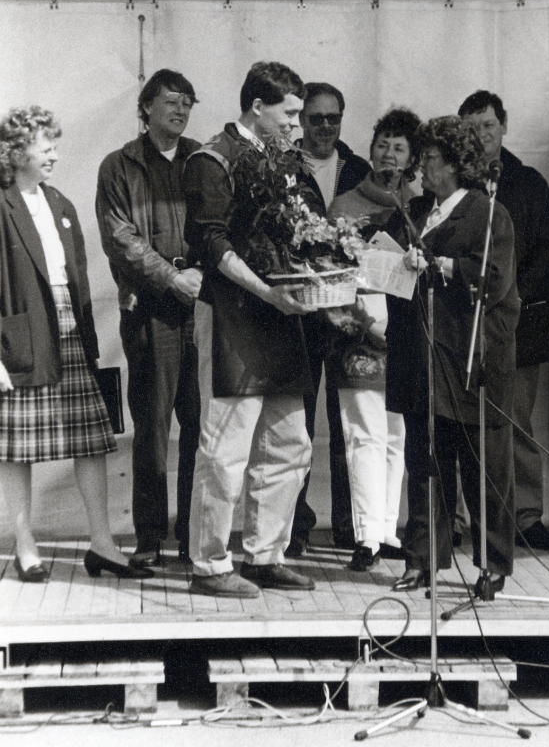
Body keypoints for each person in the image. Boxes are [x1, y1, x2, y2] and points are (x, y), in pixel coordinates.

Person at [182, 61, 318, 597]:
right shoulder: (210, 160)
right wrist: (266, 293)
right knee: (225, 450)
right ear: (256, 107)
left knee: (291, 444)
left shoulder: (286, 160)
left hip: (281, 317)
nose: (299, 126)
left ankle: (265, 555)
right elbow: (211, 245)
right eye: (290, 114)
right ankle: (210, 565)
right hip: (234, 317)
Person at [0, 107, 152, 582]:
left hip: (68, 332)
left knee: (90, 441)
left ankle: (102, 544)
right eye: (46, 147)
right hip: (23, 337)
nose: (55, 156)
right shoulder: (0, 203)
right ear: (17, 151)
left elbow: (76, 274)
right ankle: (25, 543)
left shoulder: (60, 203)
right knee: (15, 448)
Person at [387, 115, 520, 594]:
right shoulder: (419, 211)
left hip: (473, 361)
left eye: (431, 159)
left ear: (456, 164)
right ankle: (421, 559)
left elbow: (495, 279)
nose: (422, 167)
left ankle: (494, 565)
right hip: (424, 359)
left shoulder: (488, 214)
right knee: (426, 464)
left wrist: (440, 264)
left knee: (483, 469)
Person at [96, 69, 202, 567]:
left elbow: (216, 222)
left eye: (187, 104)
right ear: (146, 108)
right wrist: (169, 277)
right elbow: (119, 238)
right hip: (150, 311)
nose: (180, 111)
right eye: (171, 103)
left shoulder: (202, 160)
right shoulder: (120, 165)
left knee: (203, 429)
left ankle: (196, 534)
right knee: (154, 428)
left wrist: (202, 274)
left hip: (203, 310)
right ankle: (151, 536)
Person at [458, 91, 549, 550]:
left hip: (515, 328)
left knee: (514, 423)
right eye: (472, 129)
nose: (480, 137)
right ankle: (464, 519)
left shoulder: (530, 183)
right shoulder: (452, 183)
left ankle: (526, 516)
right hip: (460, 326)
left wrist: (506, 299)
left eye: (488, 126)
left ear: (504, 126)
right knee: (460, 423)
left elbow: (547, 254)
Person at [327, 108, 420, 570]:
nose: (388, 154)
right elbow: (332, 270)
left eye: (399, 147)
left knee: (397, 435)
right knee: (363, 433)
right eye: (383, 143)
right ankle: (365, 536)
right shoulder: (345, 205)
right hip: (359, 323)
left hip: (405, 324)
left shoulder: (420, 205)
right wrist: (360, 319)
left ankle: (388, 529)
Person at [287, 82, 371, 556]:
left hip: (347, 316)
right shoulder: (281, 168)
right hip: (299, 316)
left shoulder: (358, 170)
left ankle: (351, 528)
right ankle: (295, 528)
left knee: (349, 426)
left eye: (332, 118)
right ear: (300, 120)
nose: (324, 126)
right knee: (295, 426)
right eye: (315, 118)